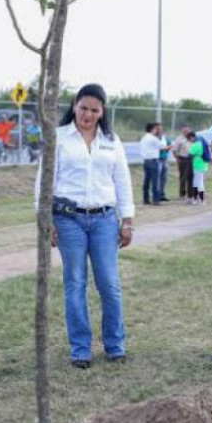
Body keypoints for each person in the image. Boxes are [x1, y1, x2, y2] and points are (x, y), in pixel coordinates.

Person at [36, 83, 135, 369]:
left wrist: (127, 220)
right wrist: (45, 220)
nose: (88, 115)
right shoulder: (58, 138)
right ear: (74, 106)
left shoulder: (111, 140)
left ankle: (115, 344)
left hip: (104, 220)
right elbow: (44, 181)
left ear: (102, 112)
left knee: (109, 284)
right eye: (83, 108)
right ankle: (80, 348)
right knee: (75, 283)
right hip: (69, 220)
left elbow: (122, 181)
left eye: (94, 110)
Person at [139, 122, 167, 205]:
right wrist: (162, 137)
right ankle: (156, 199)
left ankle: (146, 199)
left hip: (146, 160)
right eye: (155, 129)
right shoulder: (153, 138)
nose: (156, 131)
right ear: (152, 129)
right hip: (153, 161)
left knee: (146, 180)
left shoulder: (143, 138)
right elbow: (163, 146)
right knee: (155, 181)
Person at [172, 125, 194, 201]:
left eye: (187, 131)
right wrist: (177, 159)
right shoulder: (179, 139)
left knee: (191, 178)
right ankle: (182, 194)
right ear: (182, 131)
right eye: (184, 131)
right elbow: (174, 150)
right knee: (183, 177)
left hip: (192, 159)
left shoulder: (193, 138)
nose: (186, 132)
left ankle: (190, 194)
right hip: (183, 159)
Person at [191, 131, 210, 205]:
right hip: (204, 164)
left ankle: (201, 200)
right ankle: (197, 199)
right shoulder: (202, 142)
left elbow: (190, 152)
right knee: (197, 182)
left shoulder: (196, 144)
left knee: (198, 182)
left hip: (197, 165)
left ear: (192, 137)